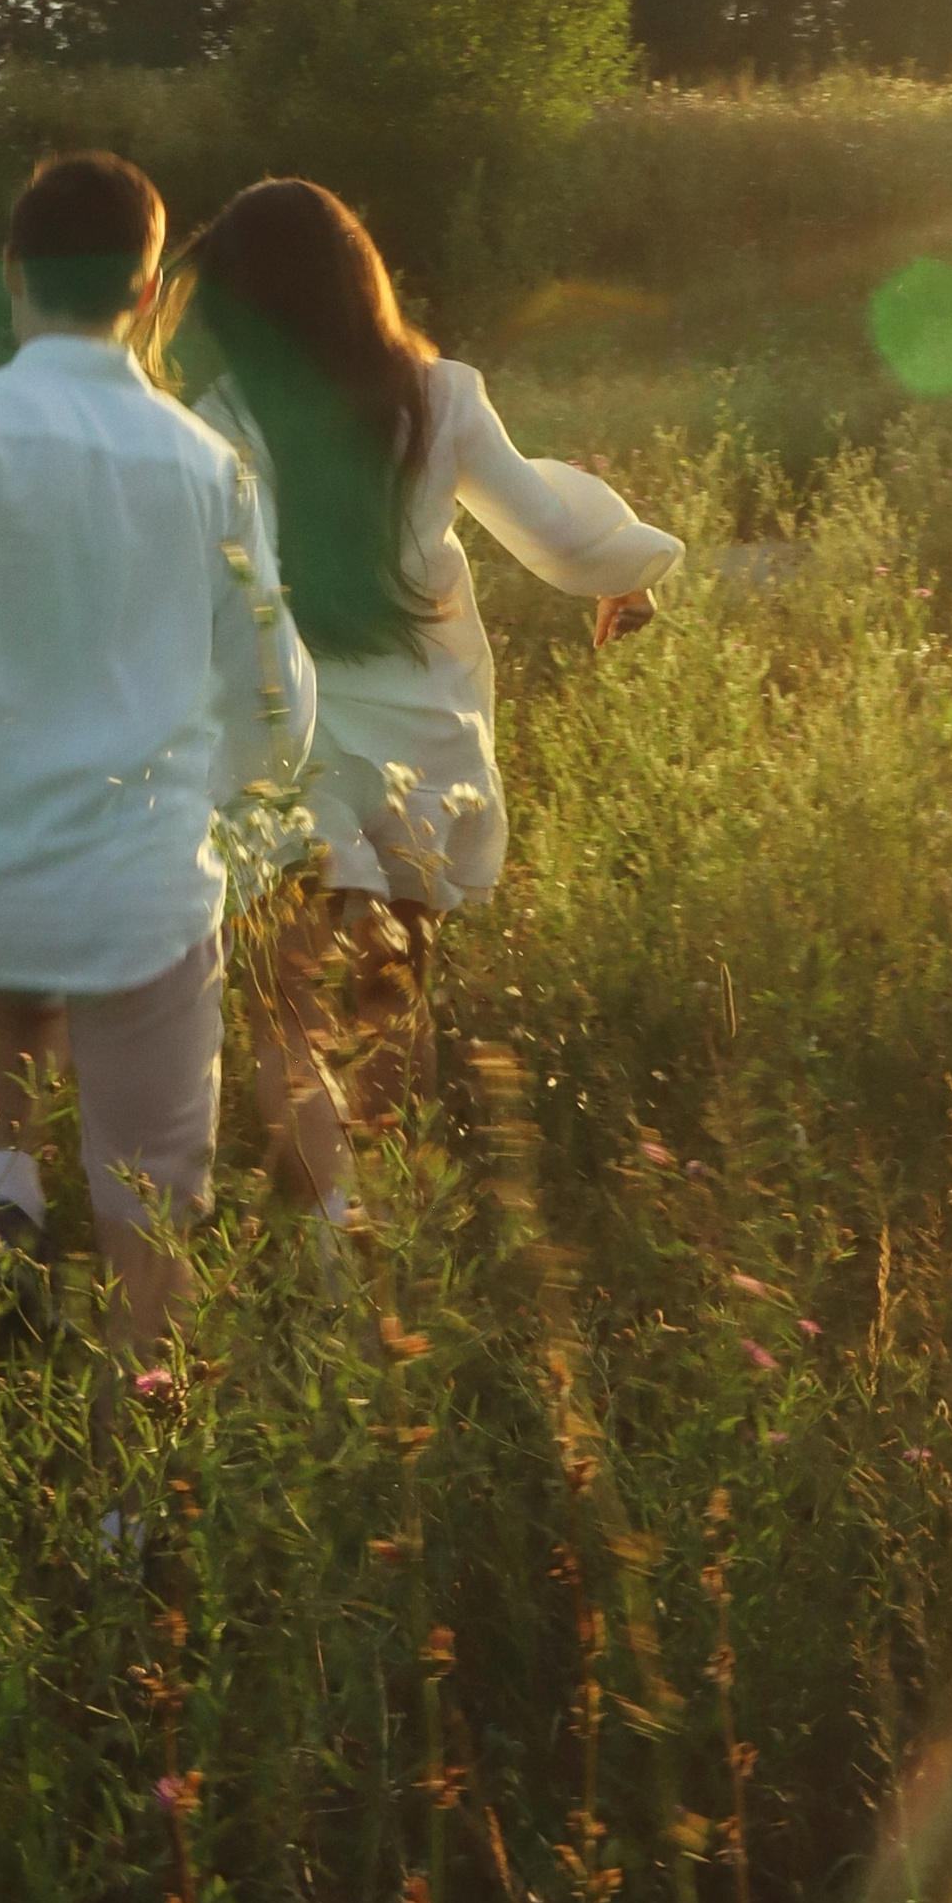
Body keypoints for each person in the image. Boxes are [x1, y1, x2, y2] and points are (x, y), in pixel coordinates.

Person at [0, 150, 315, 1366]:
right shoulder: (210, 465)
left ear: (11, 274)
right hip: (135, 893)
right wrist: (238, 790)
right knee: (153, 1207)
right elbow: (276, 693)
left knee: (22, 982)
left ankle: (8, 1196)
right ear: (148, 293)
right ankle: (133, 1438)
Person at [177, 177, 682, 1228]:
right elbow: (554, 530)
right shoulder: (439, 396)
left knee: (286, 1005)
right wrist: (625, 568)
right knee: (395, 988)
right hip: (424, 746)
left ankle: (331, 1231)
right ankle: (399, 1238)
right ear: (359, 276)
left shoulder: (222, 421)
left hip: (290, 749)